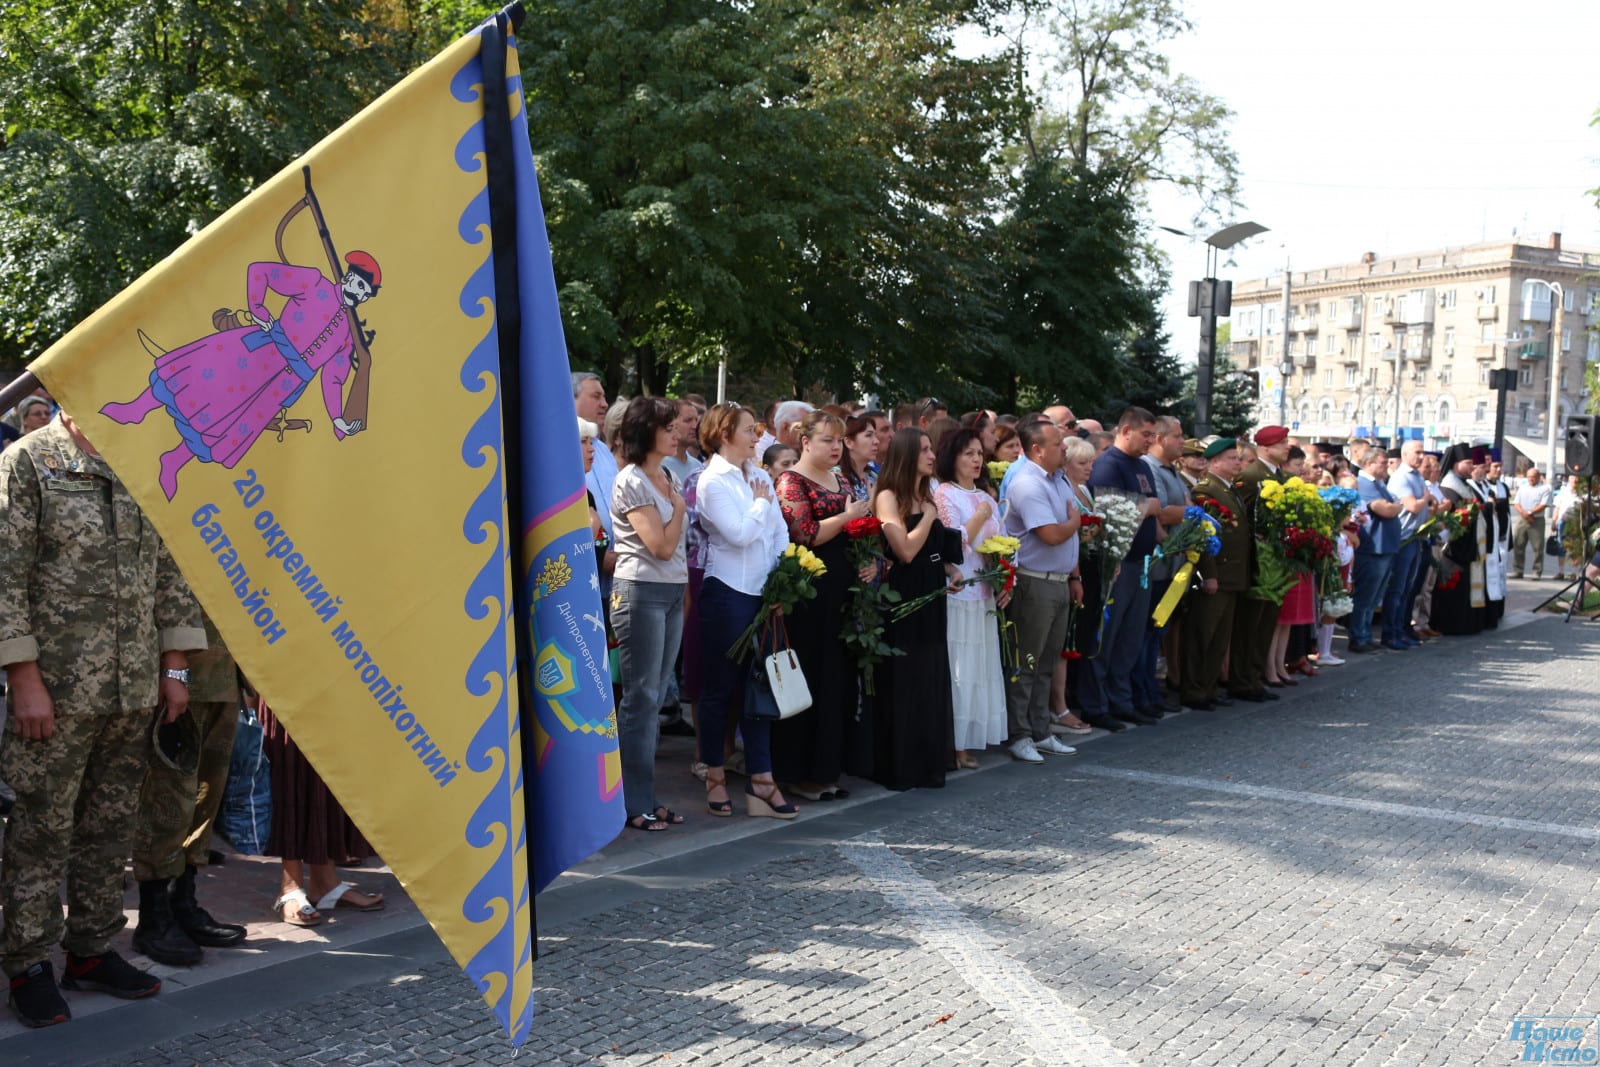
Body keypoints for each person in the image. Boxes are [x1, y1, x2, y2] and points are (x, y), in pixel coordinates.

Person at [0, 409, 207, 1026]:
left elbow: (170, 569)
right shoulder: (29, 460)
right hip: (56, 691)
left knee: (110, 829)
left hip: (134, 686)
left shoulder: (140, 454)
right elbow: (5, 573)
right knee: (41, 831)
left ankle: (89, 952)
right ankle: (28, 964)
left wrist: (174, 668)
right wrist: (22, 676)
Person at [100, 253, 380, 500]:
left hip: (283, 385)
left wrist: (337, 418)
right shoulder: (314, 282)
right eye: (358, 285)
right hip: (260, 354)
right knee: (194, 380)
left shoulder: (348, 332)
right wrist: (257, 308)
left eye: (366, 293)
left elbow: (333, 378)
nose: (359, 295)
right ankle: (136, 409)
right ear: (348, 277)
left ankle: (173, 461)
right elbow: (261, 271)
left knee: (226, 422)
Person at [693, 403, 796, 820]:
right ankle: (714, 773)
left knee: (762, 686)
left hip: (760, 591)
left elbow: (778, 532)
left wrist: (779, 580)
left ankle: (762, 778)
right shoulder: (710, 481)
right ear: (723, 434)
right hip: (727, 591)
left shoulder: (757, 476)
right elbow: (737, 536)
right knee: (721, 688)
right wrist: (758, 505)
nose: (757, 437)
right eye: (749, 430)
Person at [129, 612, 249, 966]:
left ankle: (183, 905)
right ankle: (154, 918)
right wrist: (172, 669)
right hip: (181, 675)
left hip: (223, 672)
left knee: (204, 800)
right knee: (167, 801)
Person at [773, 411, 870, 801]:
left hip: (843, 590)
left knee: (838, 682)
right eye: (828, 440)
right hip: (810, 595)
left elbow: (858, 529)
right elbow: (805, 533)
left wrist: (867, 557)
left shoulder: (842, 478)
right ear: (805, 441)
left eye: (839, 440)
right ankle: (800, 771)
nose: (836, 447)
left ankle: (828, 768)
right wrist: (848, 517)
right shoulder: (790, 480)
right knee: (811, 677)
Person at [610, 397, 690, 832]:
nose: (676, 433)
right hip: (640, 590)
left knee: (655, 697)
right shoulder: (632, 479)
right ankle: (631, 801)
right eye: (668, 426)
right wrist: (677, 510)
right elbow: (659, 545)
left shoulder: (667, 475)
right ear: (648, 431)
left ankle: (647, 796)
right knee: (641, 698)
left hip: (669, 590)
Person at [871, 429, 957, 790]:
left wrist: (951, 570)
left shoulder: (926, 496)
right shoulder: (889, 496)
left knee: (930, 676)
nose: (932, 455)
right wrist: (929, 516)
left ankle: (928, 761)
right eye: (923, 450)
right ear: (907, 455)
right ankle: (901, 765)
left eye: (931, 449)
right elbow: (904, 550)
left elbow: (936, 549)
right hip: (903, 598)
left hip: (933, 595)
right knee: (905, 679)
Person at [261, 694, 386, 926]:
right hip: (283, 669)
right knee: (291, 765)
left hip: (332, 669)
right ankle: (290, 886)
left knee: (329, 769)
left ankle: (325, 882)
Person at [1001, 420, 1083, 761]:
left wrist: (1076, 576)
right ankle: (1019, 734)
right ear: (1037, 449)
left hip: (1059, 582)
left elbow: (1067, 533)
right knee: (1027, 661)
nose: (1065, 448)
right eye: (1058, 443)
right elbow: (1050, 534)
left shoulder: (1059, 479)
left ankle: (1040, 730)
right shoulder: (1027, 483)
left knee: (1047, 661)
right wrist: (1074, 522)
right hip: (1034, 582)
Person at [1082, 408, 1163, 726]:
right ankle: (1097, 705)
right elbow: (1106, 510)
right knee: (1107, 637)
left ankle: (1121, 699)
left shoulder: (1142, 465)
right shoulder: (1108, 464)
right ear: (1126, 430)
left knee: (1130, 637)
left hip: (1140, 562)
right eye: (1145, 434)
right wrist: (1147, 507)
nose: (1150, 441)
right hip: (1116, 563)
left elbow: (1153, 507)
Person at [933, 429, 1008, 768]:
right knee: (959, 666)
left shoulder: (987, 496)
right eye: (968, 453)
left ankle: (972, 736)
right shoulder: (945, 494)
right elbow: (952, 544)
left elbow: (1006, 540)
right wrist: (977, 519)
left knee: (979, 667)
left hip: (985, 589)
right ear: (952, 457)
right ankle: (954, 741)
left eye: (979, 453)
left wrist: (1009, 573)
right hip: (959, 591)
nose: (977, 460)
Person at [1181, 438, 1250, 710]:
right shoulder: (1206, 490)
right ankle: (1194, 689)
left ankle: (1208, 688)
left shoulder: (1231, 490)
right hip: (1216, 574)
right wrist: (1208, 574)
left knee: (1219, 637)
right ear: (1215, 462)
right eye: (1232, 458)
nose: (1238, 462)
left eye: (1238, 458)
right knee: (1202, 635)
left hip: (1232, 574)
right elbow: (1203, 535)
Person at [1228, 426, 1291, 699]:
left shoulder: (1282, 476)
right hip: (1257, 561)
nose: (1287, 446)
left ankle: (1255, 677)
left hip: (1276, 563)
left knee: (1265, 623)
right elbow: (1241, 519)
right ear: (1265, 447)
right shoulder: (1251, 476)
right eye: (1282, 442)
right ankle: (1242, 680)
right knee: (1249, 624)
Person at [1137, 416, 1190, 712]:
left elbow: (1177, 508)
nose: (1182, 441)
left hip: (1174, 565)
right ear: (1160, 439)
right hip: (1156, 564)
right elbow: (1163, 513)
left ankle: (1151, 692)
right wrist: (1190, 513)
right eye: (1178, 436)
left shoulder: (1173, 471)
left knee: (1158, 632)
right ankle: (1143, 692)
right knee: (1147, 632)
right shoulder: (1151, 468)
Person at [1268, 446, 1317, 681]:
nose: (1301, 471)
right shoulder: (1278, 487)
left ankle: (1280, 664)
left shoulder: (1299, 490)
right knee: (1279, 618)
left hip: (1295, 556)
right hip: (1280, 558)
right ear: (1285, 465)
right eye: (1297, 466)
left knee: (1288, 620)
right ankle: (1270, 666)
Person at [1349, 446, 1402, 653]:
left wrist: (1394, 505)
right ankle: (1358, 636)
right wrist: (1397, 506)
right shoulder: (1363, 483)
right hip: (1372, 547)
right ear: (1369, 464)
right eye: (1382, 463)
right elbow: (1386, 510)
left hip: (1384, 546)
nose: (1386, 466)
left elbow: (1391, 506)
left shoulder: (1380, 484)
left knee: (1374, 597)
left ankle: (1366, 634)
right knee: (1365, 595)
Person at [1434, 443, 1487, 636]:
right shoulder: (1449, 486)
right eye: (1468, 462)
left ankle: (1466, 625)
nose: (1472, 466)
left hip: (1467, 547)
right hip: (1455, 549)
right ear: (1456, 464)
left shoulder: (1463, 484)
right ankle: (1452, 625)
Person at [574, 373, 619, 596]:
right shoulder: (556, 452)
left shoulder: (602, 451)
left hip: (611, 581)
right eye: (596, 396)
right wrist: (598, 556)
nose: (604, 404)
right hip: (580, 578)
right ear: (571, 398)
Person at [1382, 439, 1429, 649]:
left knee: (1408, 588)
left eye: (1422, 452)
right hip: (1403, 538)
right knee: (1397, 589)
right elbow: (1412, 507)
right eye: (1417, 452)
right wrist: (1426, 498)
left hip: (1416, 538)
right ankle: (1390, 633)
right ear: (1405, 454)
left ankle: (1401, 629)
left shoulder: (1417, 475)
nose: (1421, 456)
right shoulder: (1402, 477)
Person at [1511, 466, 1551, 579]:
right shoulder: (1523, 488)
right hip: (1522, 519)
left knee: (1537, 547)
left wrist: (1529, 513)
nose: (1531, 479)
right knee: (1518, 545)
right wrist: (1524, 514)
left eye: (1533, 477)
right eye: (1529, 477)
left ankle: (1536, 571)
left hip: (1537, 520)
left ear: (1538, 477)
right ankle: (1518, 570)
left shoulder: (1544, 489)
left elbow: (1543, 505)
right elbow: (1516, 503)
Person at [662, 398, 706, 485]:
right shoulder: (659, 465)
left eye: (696, 420)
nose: (695, 426)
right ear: (671, 424)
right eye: (688, 420)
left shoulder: (698, 466)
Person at [841, 412, 880, 501]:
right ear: (849, 442)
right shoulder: (837, 477)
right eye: (868, 435)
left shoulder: (874, 475)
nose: (876, 441)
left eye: (875, 436)